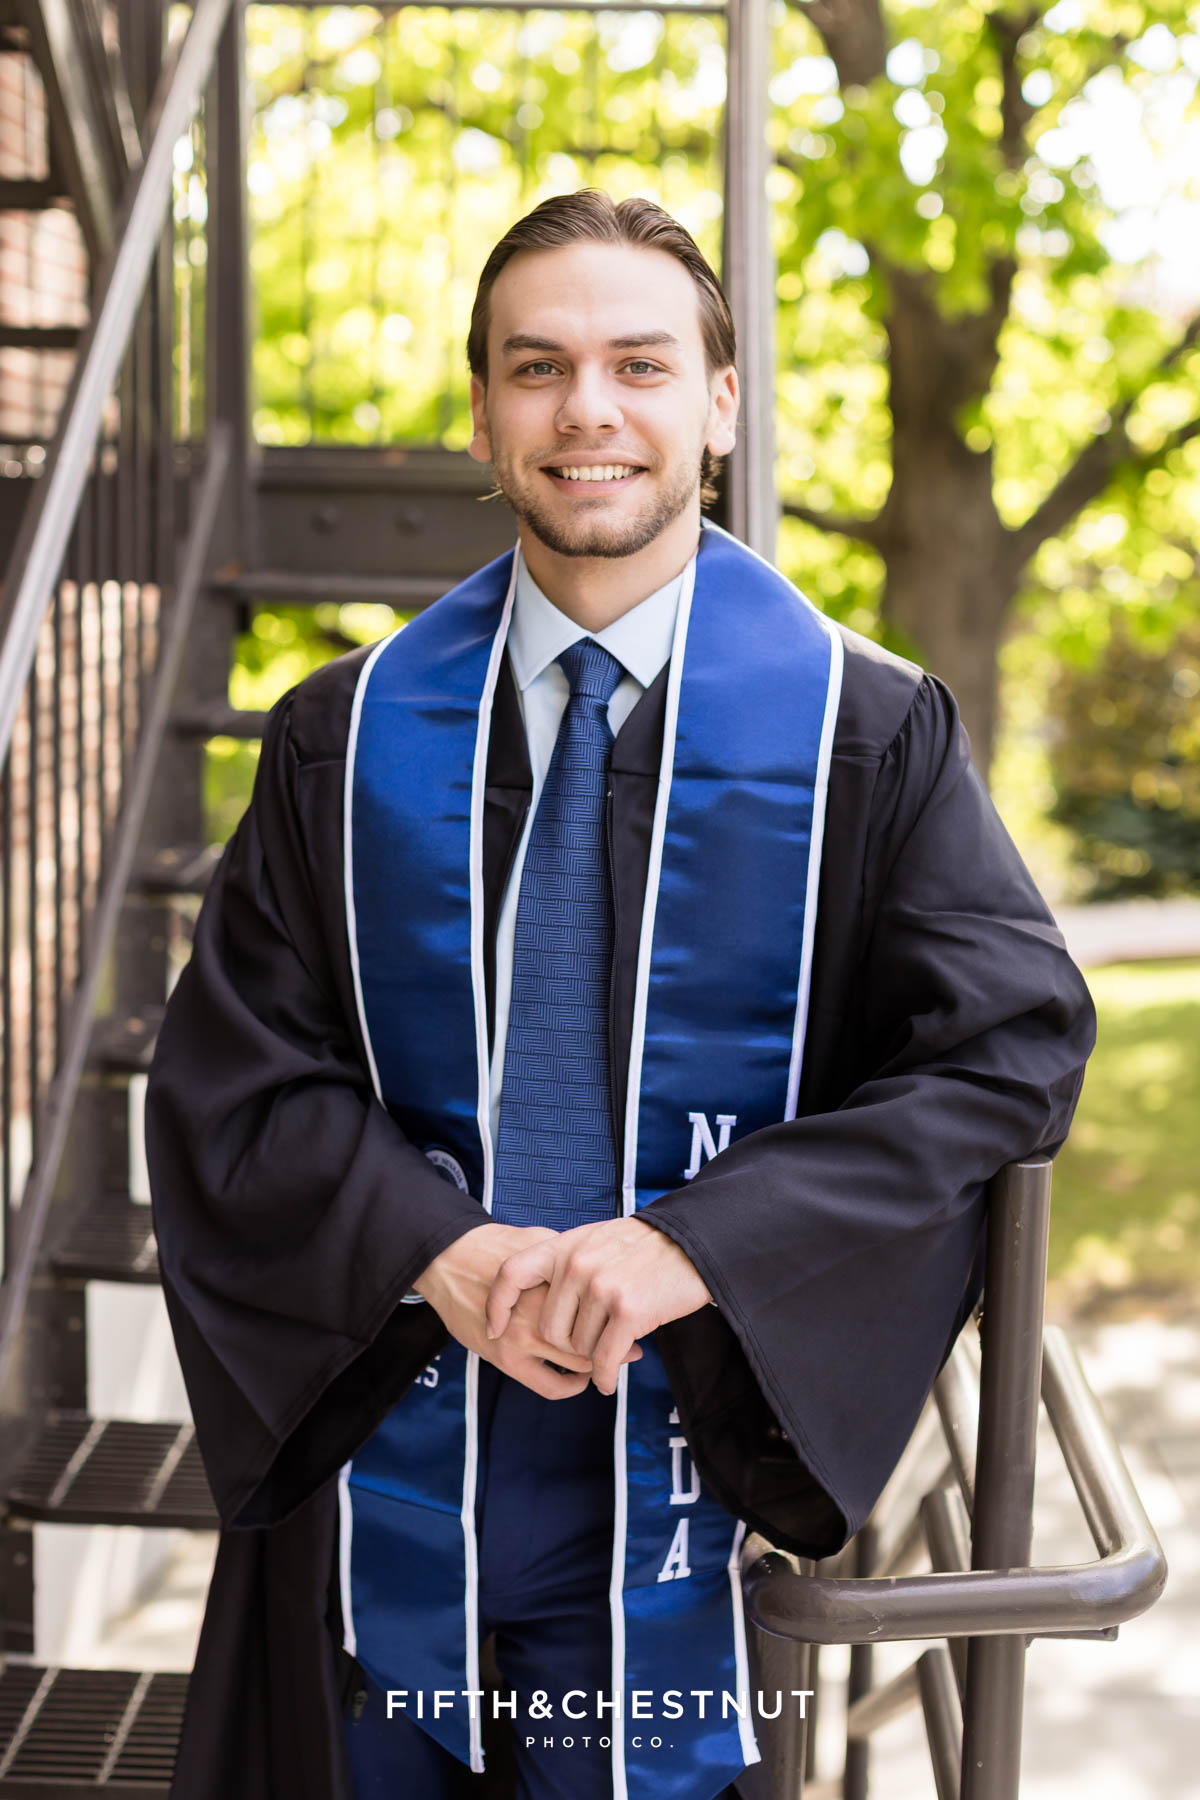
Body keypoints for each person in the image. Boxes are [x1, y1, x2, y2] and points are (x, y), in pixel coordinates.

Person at [145, 188, 1096, 1800]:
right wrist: (433, 1247)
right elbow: (235, 1074)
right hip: (393, 1448)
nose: (588, 409)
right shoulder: (343, 738)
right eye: (540, 367)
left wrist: (701, 1244)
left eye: (639, 365)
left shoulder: (866, 735)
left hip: (696, 1464)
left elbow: (1008, 1050)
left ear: (719, 404)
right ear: (483, 415)